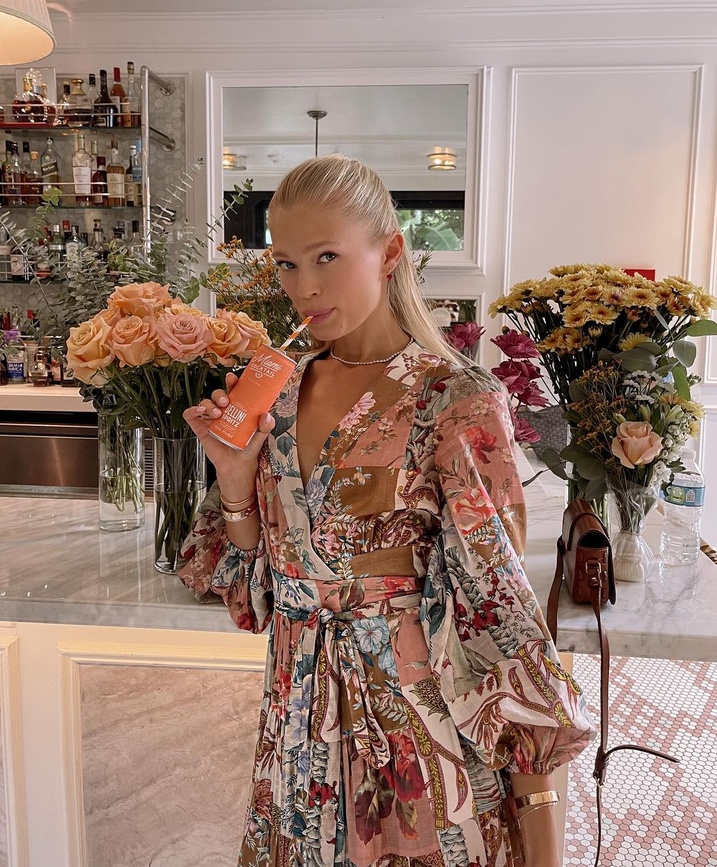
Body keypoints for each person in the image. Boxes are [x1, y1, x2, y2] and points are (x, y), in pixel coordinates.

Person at [179, 154, 595, 867]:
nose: (304, 287)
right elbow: (257, 595)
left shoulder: (454, 401)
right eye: (286, 264)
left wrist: (544, 846)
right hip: (296, 747)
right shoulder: (276, 396)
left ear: (390, 252)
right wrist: (236, 480)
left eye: (327, 257)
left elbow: (500, 619)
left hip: (416, 748)